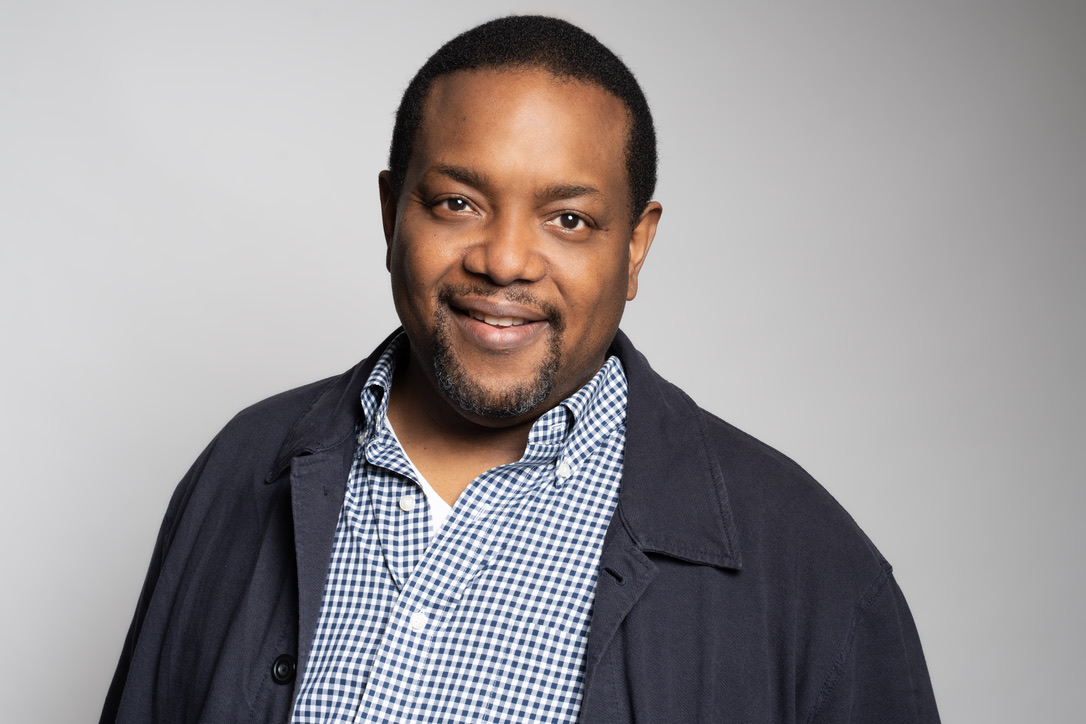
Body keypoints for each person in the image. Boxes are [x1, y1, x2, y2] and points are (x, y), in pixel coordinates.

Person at [100, 15, 939, 724]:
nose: (503, 260)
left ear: (635, 246)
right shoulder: (241, 469)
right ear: (391, 214)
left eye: (568, 219)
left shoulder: (810, 569)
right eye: (457, 203)